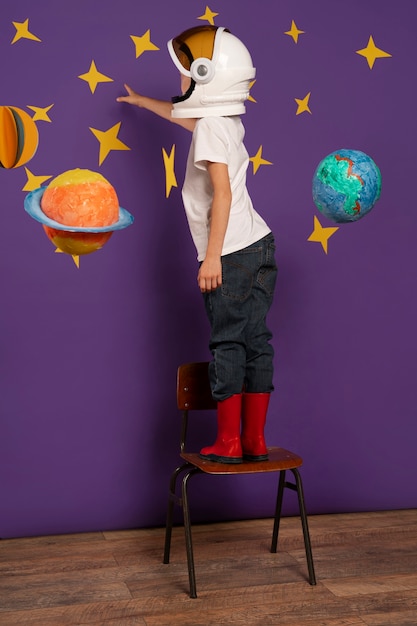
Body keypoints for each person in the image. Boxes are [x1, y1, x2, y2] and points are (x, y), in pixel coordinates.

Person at [117, 25, 277, 463]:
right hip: (260, 245)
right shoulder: (225, 122)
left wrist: (212, 258)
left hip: (232, 252)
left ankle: (227, 443)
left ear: (209, 76)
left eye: (187, 74)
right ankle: (254, 441)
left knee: (228, 342)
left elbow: (221, 194)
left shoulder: (211, 127)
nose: (181, 80)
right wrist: (143, 102)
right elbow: (183, 118)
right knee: (256, 342)